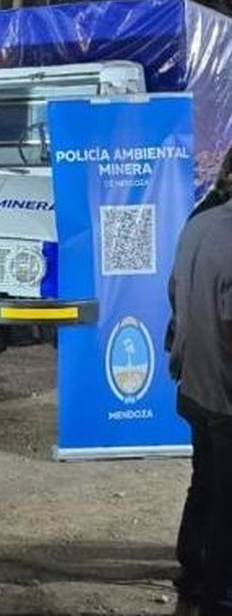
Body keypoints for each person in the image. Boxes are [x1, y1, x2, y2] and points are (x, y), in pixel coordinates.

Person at [169, 154, 232, 614]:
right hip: (226, 393)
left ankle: (193, 569)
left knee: (205, 482)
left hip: (194, 382)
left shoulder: (199, 223)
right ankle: (219, 589)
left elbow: (176, 294)